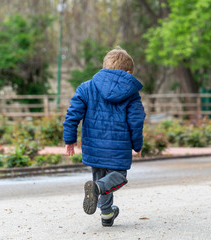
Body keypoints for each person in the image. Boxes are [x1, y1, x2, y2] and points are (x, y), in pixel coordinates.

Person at [63, 47, 146, 227]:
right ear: (128, 72)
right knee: (116, 177)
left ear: (105, 67)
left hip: (93, 147)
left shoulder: (86, 88)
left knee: (101, 178)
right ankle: (98, 190)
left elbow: (72, 115)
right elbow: (136, 121)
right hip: (119, 148)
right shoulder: (131, 94)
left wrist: (69, 139)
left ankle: (107, 215)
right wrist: (137, 145)